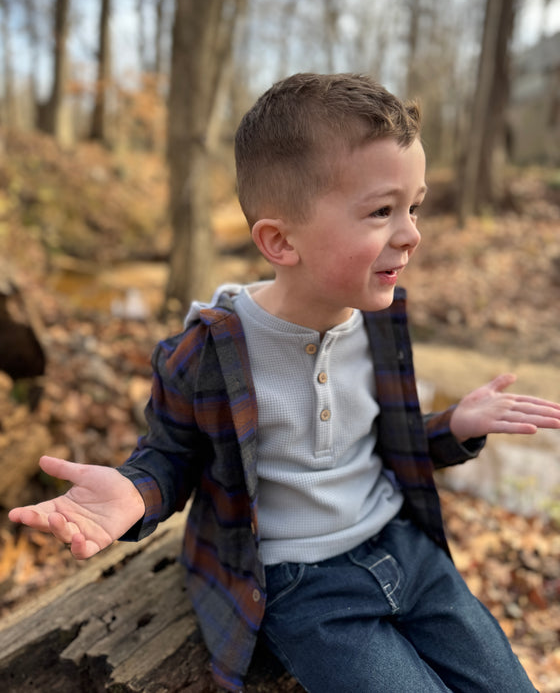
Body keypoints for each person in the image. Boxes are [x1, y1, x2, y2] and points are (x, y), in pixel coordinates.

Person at [9, 73, 560, 693]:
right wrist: (134, 496)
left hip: (407, 551)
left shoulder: (379, 326)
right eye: (382, 211)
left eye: (415, 206)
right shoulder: (208, 352)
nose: (411, 234)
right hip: (303, 586)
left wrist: (455, 426)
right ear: (279, 240)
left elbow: (385, 443)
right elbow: (170, 459)